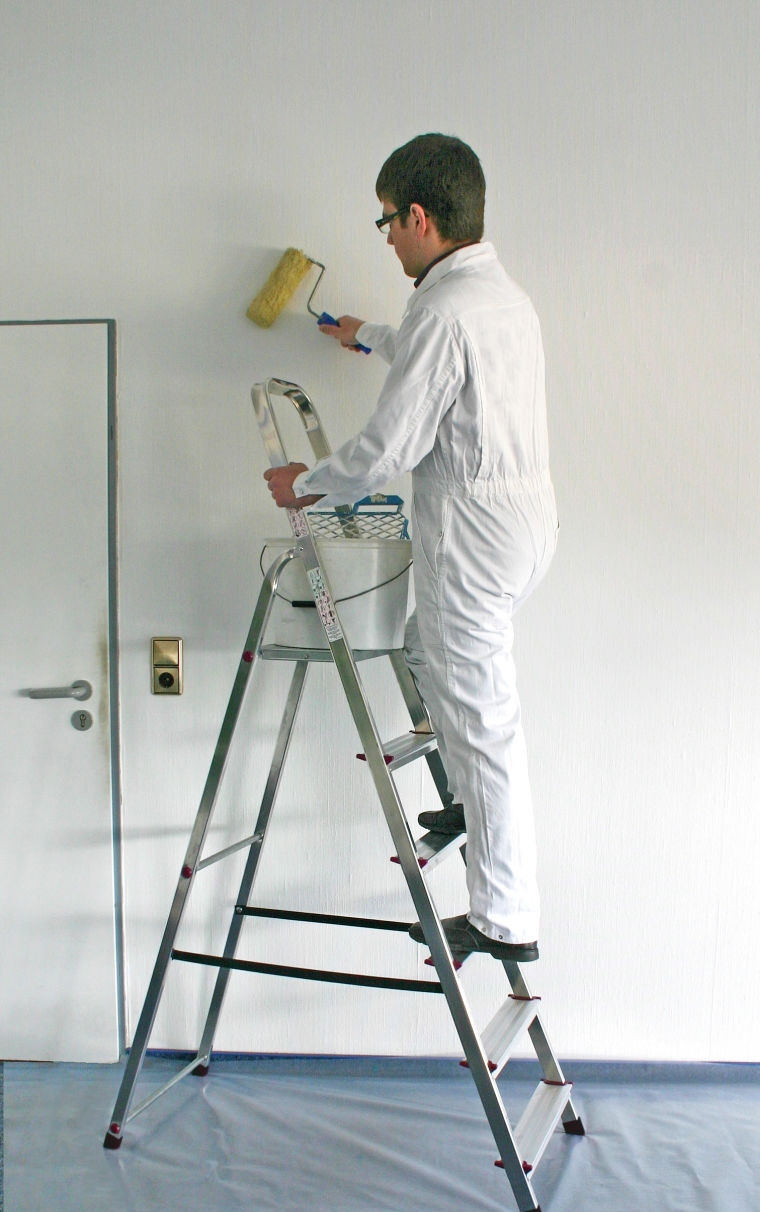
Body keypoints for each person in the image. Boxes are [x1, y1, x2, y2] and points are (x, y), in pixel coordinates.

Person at [264, 134, 558, 963]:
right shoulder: (496, 296)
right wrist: (366, 334)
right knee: (427, 648)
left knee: (486, 724)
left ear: (418, 218)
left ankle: (504, 919)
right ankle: (468, 797)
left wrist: (305, 484)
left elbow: (385, 450)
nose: (386, 236)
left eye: (387, 220)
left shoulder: (442, 310)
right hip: (525, 526)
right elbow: (439, 357)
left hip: (473, 537)